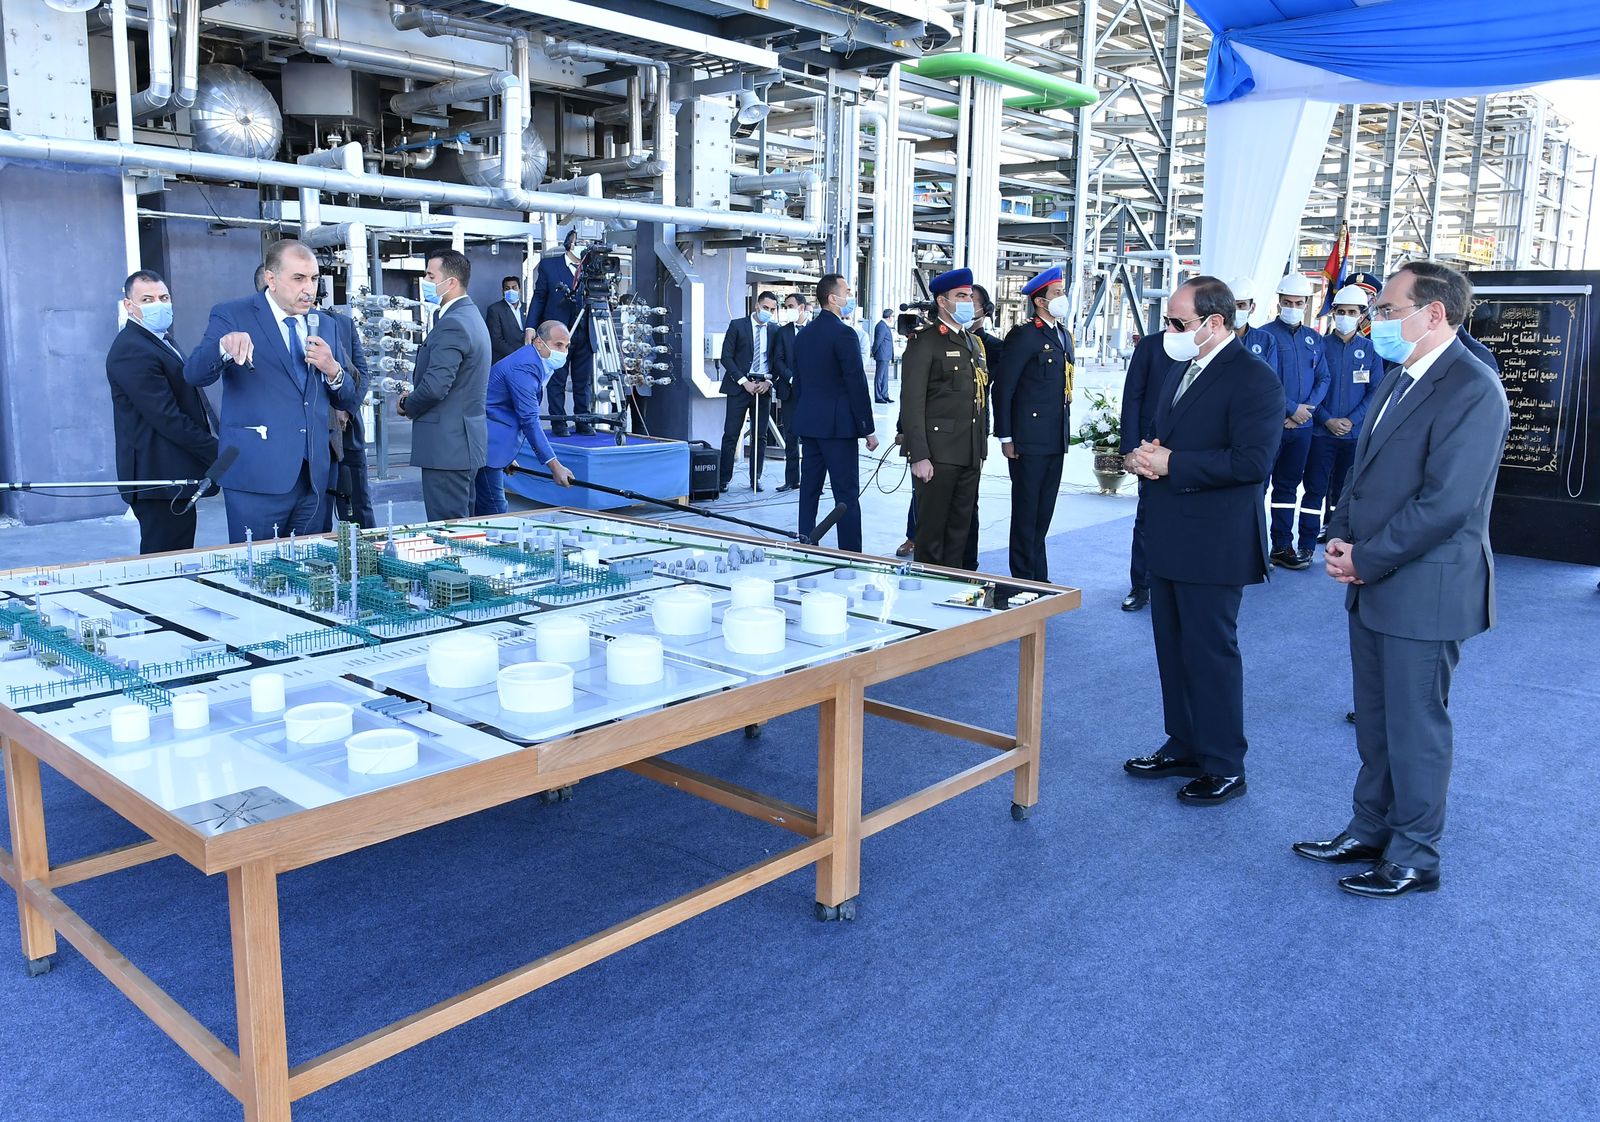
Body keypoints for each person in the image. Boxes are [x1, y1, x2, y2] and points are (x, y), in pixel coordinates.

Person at [1299, 261, 1510, 898]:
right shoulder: (1399, 376)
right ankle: (1371, 828)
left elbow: (1446, 504)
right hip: (1376, 579)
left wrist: (1365, 559)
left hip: (1426, 589)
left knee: (1415, 727)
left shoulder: (1473, 387)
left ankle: (1415, 854)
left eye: (1387, 311)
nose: (1375, 322)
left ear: (1434, 313)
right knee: (1376, 720)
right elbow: (1363, 476)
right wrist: (1341, 535)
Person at [1122, 276, 1283, 805]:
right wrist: (1148, 456)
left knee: (1210, 653)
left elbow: (1252, 462)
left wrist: (1175, 464)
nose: (1168, 331)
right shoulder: (1182, 367)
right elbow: (1170, 438)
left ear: (1215, 323)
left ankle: (1225, 763)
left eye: (1178, 322)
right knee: (1172, 647)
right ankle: (1185, 742)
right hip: (1170, 531)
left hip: (1215, 541)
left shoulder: (1254, 378)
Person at [186, 240, 361, 542]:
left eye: (314, 278)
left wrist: (334, 371)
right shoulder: (233, 314)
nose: (309, 289)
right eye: (298, 278)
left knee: (311, 564)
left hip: (314, 477)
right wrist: (223, 347)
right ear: (271, 278)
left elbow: (348, 398)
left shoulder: (325, 325)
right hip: (256, 477)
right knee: (258, 566)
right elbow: (194, 374)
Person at [107, 270, 219, 553]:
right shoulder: (132, 349)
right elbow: (167, 417)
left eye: (164, 297)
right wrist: (217, 451)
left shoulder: (159, 340)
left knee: (178, 553)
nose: (158, 305)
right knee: (164, 559)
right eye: (147, 299)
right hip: (158, 479)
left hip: (174, 477)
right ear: (129, 305)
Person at [898, 268, 989, 568]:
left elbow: (978, 399)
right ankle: (928, 590)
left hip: (969, 452)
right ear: (942, 301)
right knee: (932, 534)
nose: (968, 302)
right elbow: (912, 403)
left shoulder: (972, 342)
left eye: (969, 296)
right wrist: (918, 455)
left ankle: (953, 588)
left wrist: (980, 449)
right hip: (937, 455)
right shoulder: (925, 341)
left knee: (960, 532)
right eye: (960, 296)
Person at [994, 265, 1074, 583]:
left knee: (1043, 511)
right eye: (1057, 293)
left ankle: (1039, 576)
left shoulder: (1063, 335)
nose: (1063, 297)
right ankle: (1023, 577)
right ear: (1040, 301)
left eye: (1063, 292)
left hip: (1055, 437)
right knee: (1027, 512)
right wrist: (1006, 436)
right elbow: (1004, 387)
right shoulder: (1025, 335)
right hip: (1028, 438)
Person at [399, 249, 490, 521]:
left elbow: (435, 387)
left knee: (447, 531)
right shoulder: (471, 317)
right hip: (462, 446)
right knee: (463, 530)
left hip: (447, 449)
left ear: (451, 282)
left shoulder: (453, 324)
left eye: (430, 276)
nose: (424, 282)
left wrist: (407, 404)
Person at [792, 273, 879, 551]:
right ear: (833, 298)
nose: (850, 297)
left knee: (810, 488)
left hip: (810, 424)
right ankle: (850, 552)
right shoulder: (844, 334)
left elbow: (799, 382)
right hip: (838, 428)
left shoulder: (804, 335)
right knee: (846, 493)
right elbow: (856, 383)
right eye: (847, 292)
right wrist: (867, 428)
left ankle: (807, 541)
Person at [1259, 272, 1331, 570]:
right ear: (1279, 302)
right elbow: (1264, 382)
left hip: (1302, 428)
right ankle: (1253, 548)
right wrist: (1289, 410)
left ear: (1306, 304)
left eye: (1298, 303)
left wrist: (1305, 411)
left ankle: (1281, 546)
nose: (1292, 307)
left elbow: (1324, 378)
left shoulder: (1314, 338)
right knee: (1258, 487)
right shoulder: (1264, 336)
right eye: (1287, 302)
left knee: (1287, 489)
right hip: (1271, 427)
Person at [1304, 284, 1382, 547]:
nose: (1345, 317)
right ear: (1333, 312)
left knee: (1345, 488)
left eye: (1352, 312)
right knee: (1315, 486)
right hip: (1320, 432)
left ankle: (1336, 533)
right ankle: (1306, 540)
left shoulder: (1371, 350)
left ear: (1362, 315)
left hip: (1354, 434)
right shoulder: (1319, 346)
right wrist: (1326, 419)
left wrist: (1352, 420)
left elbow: (1376, 391)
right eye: (1341, 311)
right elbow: (1311, 388)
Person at [473, 321, 576, 515]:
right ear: (538, 342)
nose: (563, 352)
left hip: (493, 443)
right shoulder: (524, 367)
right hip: (487, 444)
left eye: (567, 346)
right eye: (558, 345)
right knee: (496, 511)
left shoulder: (534, 361)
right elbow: (529, 420)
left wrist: (507, 457)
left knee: (485, 509)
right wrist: (555, 466)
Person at [1117, 330, 1177, 611]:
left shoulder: (1208, 347)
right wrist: (1130, 448)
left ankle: (1178, 584)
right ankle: (1141, 585)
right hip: (1151, 447)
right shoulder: (1151, 346)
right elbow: (1132, 397)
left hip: (1192, 452)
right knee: (1147, 519)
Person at [525, 230, 593, 435]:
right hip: (557, 333)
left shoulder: (592, 268)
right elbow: (539, 297)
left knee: (583, 380)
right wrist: (531, 326)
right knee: (557, 379)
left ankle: (583, 420)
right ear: (569, 244)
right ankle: (559, 422)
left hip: (585, 330)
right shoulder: (550, 266)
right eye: (581, 241)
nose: (585, 246)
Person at [717, 291, 779, 494]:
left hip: (763, 387)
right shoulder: (737, 326)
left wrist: (769, 381)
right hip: (739, 387)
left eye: (772, 309)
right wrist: (744, 382)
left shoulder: (775, 330)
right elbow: (726, 357)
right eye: (766, 308)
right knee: (731, 434)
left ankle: (755, 478)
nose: (768, 312)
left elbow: (778, 360)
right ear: (756, 306)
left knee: (760, 436)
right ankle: (723, 479)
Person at [318, 305, 373, 530]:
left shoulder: (342, 324)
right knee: (317, 516)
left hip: (346, 434)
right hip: (313, 439)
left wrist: (346, 409)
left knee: (357, 507)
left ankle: (366, 550)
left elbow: (363, 374)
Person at [963, 284, 1005, 570]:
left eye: (971, 300)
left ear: (984, 309)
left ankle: (968, 563)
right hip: (939, 431)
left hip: (974, 430)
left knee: (968, 499)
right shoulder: (940, 339)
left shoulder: (994, 347)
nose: (966, 305)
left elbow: (1001, 390)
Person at [770, 293, 807, 493]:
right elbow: (778, 360)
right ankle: (792, 480)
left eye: (790, 306)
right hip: (789, 391)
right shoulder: (783, 332)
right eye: (785, 306)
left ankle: (811, 481)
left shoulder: (814, 329)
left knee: (811, 439)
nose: (787, 309)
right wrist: (791, 377)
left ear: (802, 307)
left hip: (811, 392)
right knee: (790, 437)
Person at [1228, 277, 1280, 370]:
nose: (1235, 311)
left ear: (1252, 308)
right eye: (1231, 306)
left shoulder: (1266, 340)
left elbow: (1270, 376)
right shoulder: (1214, 339)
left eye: (1241, 305)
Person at [486, 274, 525, 365]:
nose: (511, 291)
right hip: (505, 361)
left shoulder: (527, 308)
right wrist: (517, 355)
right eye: (507, 288)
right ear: (503, 291)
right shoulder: (494, 309)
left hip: (527, 359)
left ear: (520, 289)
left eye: (514, 288)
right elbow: (496, 340)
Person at [872, 309, 896, 403]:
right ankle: (878, 396)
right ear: (889, 317)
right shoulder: (881, 326)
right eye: (892, 316)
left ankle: (884, 395)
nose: (892, 318)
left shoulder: (884, 326)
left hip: (886, 356)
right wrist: (873, 351)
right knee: (879, 377)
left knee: (885, 377)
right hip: (882, 356)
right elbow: (878, 341)